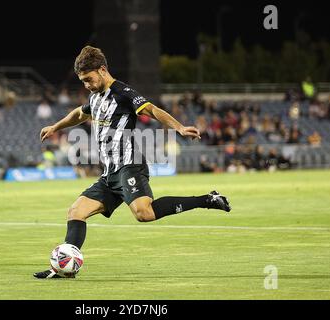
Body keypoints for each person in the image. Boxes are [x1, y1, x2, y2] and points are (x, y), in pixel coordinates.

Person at [34, 46, 231, 279]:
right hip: (110, 174)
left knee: (143, 213)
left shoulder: (124, 93)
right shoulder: (95, 96)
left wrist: (179, 127)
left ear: (102, 70)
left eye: (88, 79)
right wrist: (55, 126)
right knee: (75, 211)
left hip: (130, 165)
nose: (86, 85)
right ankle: (63, 268)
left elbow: (152, 109)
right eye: (83, 81)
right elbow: (79, 114)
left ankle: (206, 200)